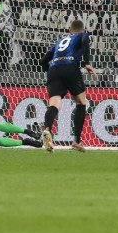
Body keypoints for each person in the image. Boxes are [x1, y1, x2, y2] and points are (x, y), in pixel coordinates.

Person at [39, 19, 97, 153]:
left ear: (70, 31)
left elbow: (42, 61)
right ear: (83, 30)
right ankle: (76, 140)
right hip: (71, 67)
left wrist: (50, 72)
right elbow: (85, 41)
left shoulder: (60, 41)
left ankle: (47, 129)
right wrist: (87, 63)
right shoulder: (83, 35)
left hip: (54, 69)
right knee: (81, 103)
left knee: (54, 104)